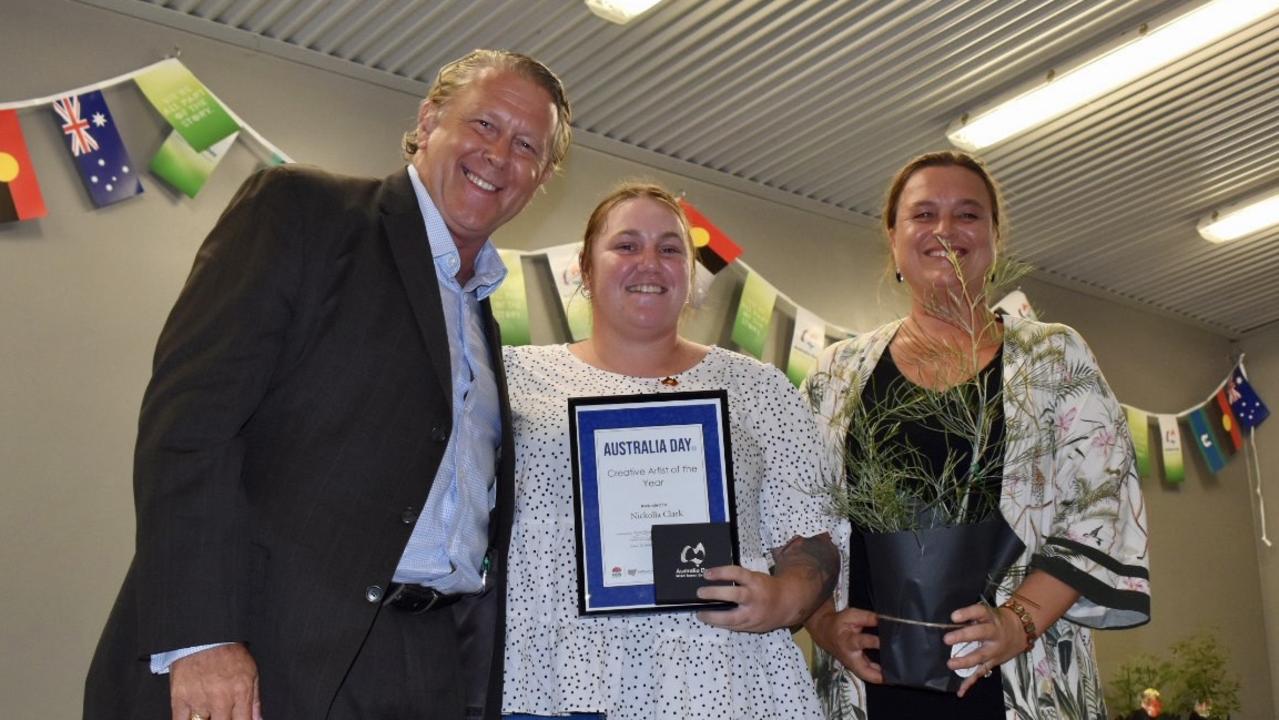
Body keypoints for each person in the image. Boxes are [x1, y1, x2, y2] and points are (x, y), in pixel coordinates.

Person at [83, 49, 572, 720]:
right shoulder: (306, 212)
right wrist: (200, 636)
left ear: (540, 177)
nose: (499, 155)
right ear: (429, 121)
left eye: (525, 146)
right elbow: (190, 426)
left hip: (421, 664)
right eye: (483, 125)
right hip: (264, 650)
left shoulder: (485, 322)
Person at [802, 151, 1150, 719]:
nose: (944, 229)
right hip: (870, 685)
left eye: (967, 214)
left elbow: (1102, 505)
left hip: (1015, 681)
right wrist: (821, 623)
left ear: (993, 237)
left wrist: (1018, 623)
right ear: (893, 240)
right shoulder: (835, 374)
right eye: (923, 214)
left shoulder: (1054, 358)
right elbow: (796, 515)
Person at [499, 182, 839, 719]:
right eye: (626, 245)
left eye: (670, 248)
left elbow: (812, 536)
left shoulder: (759, 388)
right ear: (585, 270)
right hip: (556, 682)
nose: (649, 263)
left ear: (690, 273)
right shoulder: (514, 377)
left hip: (723, 679)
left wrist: (787, 599)